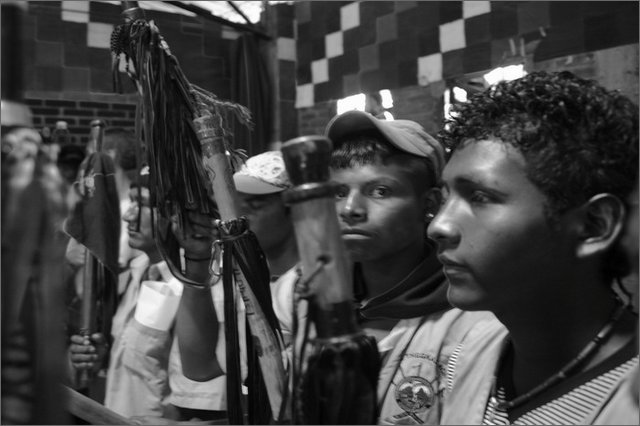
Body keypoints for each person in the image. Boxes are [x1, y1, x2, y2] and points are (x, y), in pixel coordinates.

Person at [426, 71, 638, 424]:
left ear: (593, 226)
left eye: (480, 197)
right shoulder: (469, 355)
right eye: (445, 197)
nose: (438, 226)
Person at [324, 110, 493, 424]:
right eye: (339, 192)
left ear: (429, 205)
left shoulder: (470, 322)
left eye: (380, 191)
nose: (350, 210)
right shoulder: (314, 299)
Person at [233, 150, 300, 345]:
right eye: (239, 204)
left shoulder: (307, 287)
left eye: (254, 205)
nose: (242, 217)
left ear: (293, 207)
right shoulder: (241, 275)